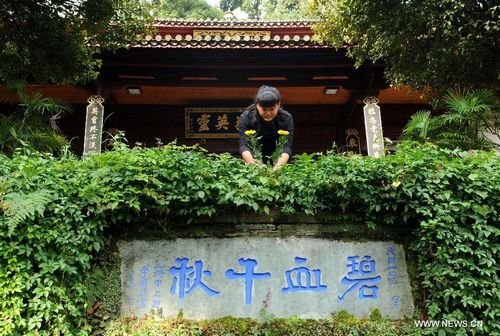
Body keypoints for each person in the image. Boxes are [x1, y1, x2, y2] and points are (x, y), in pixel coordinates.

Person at [238, 86, 294, 169]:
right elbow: (243, 144)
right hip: (253, 157)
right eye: (264, 109)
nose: (268, 113)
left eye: (272, 109)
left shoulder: (286, 118)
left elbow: (287, 146)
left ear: (278, 105)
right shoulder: (246, 117)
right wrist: (252, 163)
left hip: (279, 159)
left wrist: (278, 167)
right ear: (257, 105)